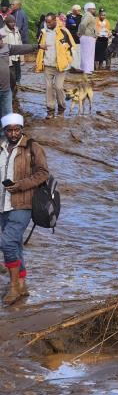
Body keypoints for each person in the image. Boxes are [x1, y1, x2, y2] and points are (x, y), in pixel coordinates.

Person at [0, 113, 50, 305]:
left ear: (22, 129)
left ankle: (13, 287)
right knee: (15, 244)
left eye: (16, 129)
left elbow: (43, 173)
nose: (13, 133)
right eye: (9, 130)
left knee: (6, 243)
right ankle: (22, 284)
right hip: (2, 205)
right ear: (4, 131)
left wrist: (20, 185)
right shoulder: (1, 147)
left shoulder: (32, 147)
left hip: (23, 203)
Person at [35, 13, 75, 119]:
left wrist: (70, 61)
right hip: (48, 65)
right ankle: (50, 111)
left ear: (55, 21)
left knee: (58, 87)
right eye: (46, 22)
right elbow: (40, 48)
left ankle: (61, 108)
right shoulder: (43, 33)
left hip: (61, 66)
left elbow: (71, 47)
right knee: (48, 87)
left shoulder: (64, 31)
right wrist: (40, 62)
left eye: (50, 22)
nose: (48, 24)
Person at [0, 27, 40, 116]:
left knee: (8, 116)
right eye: (0, 39)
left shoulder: (6, 47)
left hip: (6, 90)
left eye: (1, 39)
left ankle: (5, 129)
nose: (2, 41)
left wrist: (38, 46)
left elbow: (21, 48)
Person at [78, 3, 97, 74]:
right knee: (88, 53)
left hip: (87, 36)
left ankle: (85, 68)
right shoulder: (89, 15)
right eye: (93, 9)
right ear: (89, 9)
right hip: (87, 36)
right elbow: (83, 24)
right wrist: (82, 32)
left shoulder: (87, 15)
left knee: (87, 53)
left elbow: (82, 24)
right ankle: (87, 69)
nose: (95, 10)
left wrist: (80, 32)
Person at [66, 5, 83, 70]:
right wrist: (75, 25)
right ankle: (72, 66)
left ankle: (78, 66)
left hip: (79, 38)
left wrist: (75, 25)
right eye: (78, 10)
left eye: (80, 10)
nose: (80, 11)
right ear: (74, 11)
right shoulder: (68, 17)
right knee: (71, 52)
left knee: (78, 52)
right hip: (71, 37)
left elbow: (78, 25)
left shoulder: (81, 17)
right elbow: (69, 26)